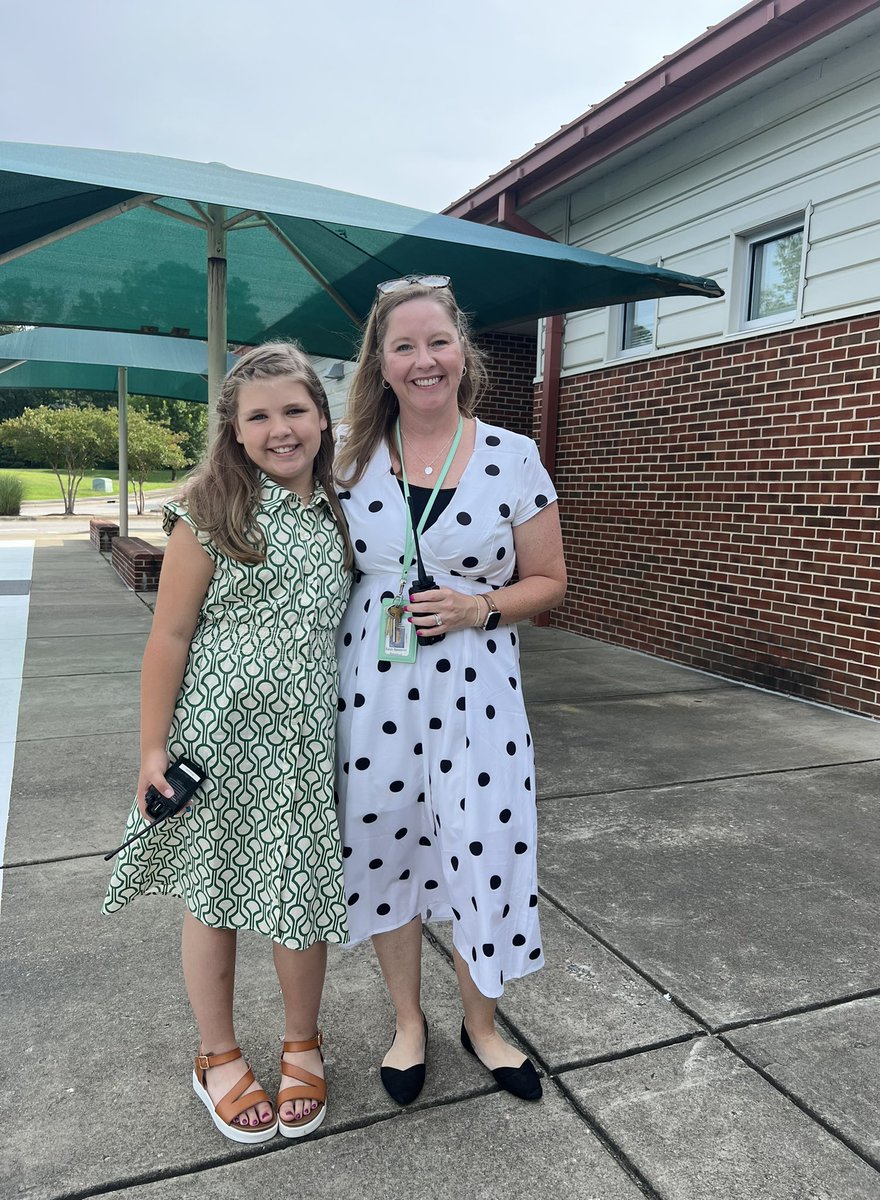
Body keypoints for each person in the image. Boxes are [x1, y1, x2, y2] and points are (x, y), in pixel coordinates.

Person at [103, 343, 352, 1143]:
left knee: (299, 894)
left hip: (305, 747)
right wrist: (150, 752)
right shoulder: (211, 511)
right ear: (235, 433)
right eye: (260, 417)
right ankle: (216, 1054)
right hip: (214, 739)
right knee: (213, 897)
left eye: (295, 411)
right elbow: (169, 638)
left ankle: (301, 1042)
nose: (280, 429)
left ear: (321, 417)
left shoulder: (341, 512)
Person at [334, 274, 567, 1105]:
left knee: (485, 851)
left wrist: (480, 604)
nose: (424, 359)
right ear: (382, 363)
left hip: (480, 694)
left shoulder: (512, 456)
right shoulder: (347, 460)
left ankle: (483, 1024)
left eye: (438, 341)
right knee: (385, 849)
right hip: (373, 694)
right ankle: (408, 1023)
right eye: (405, 346)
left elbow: (550, 580)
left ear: (462, 352)